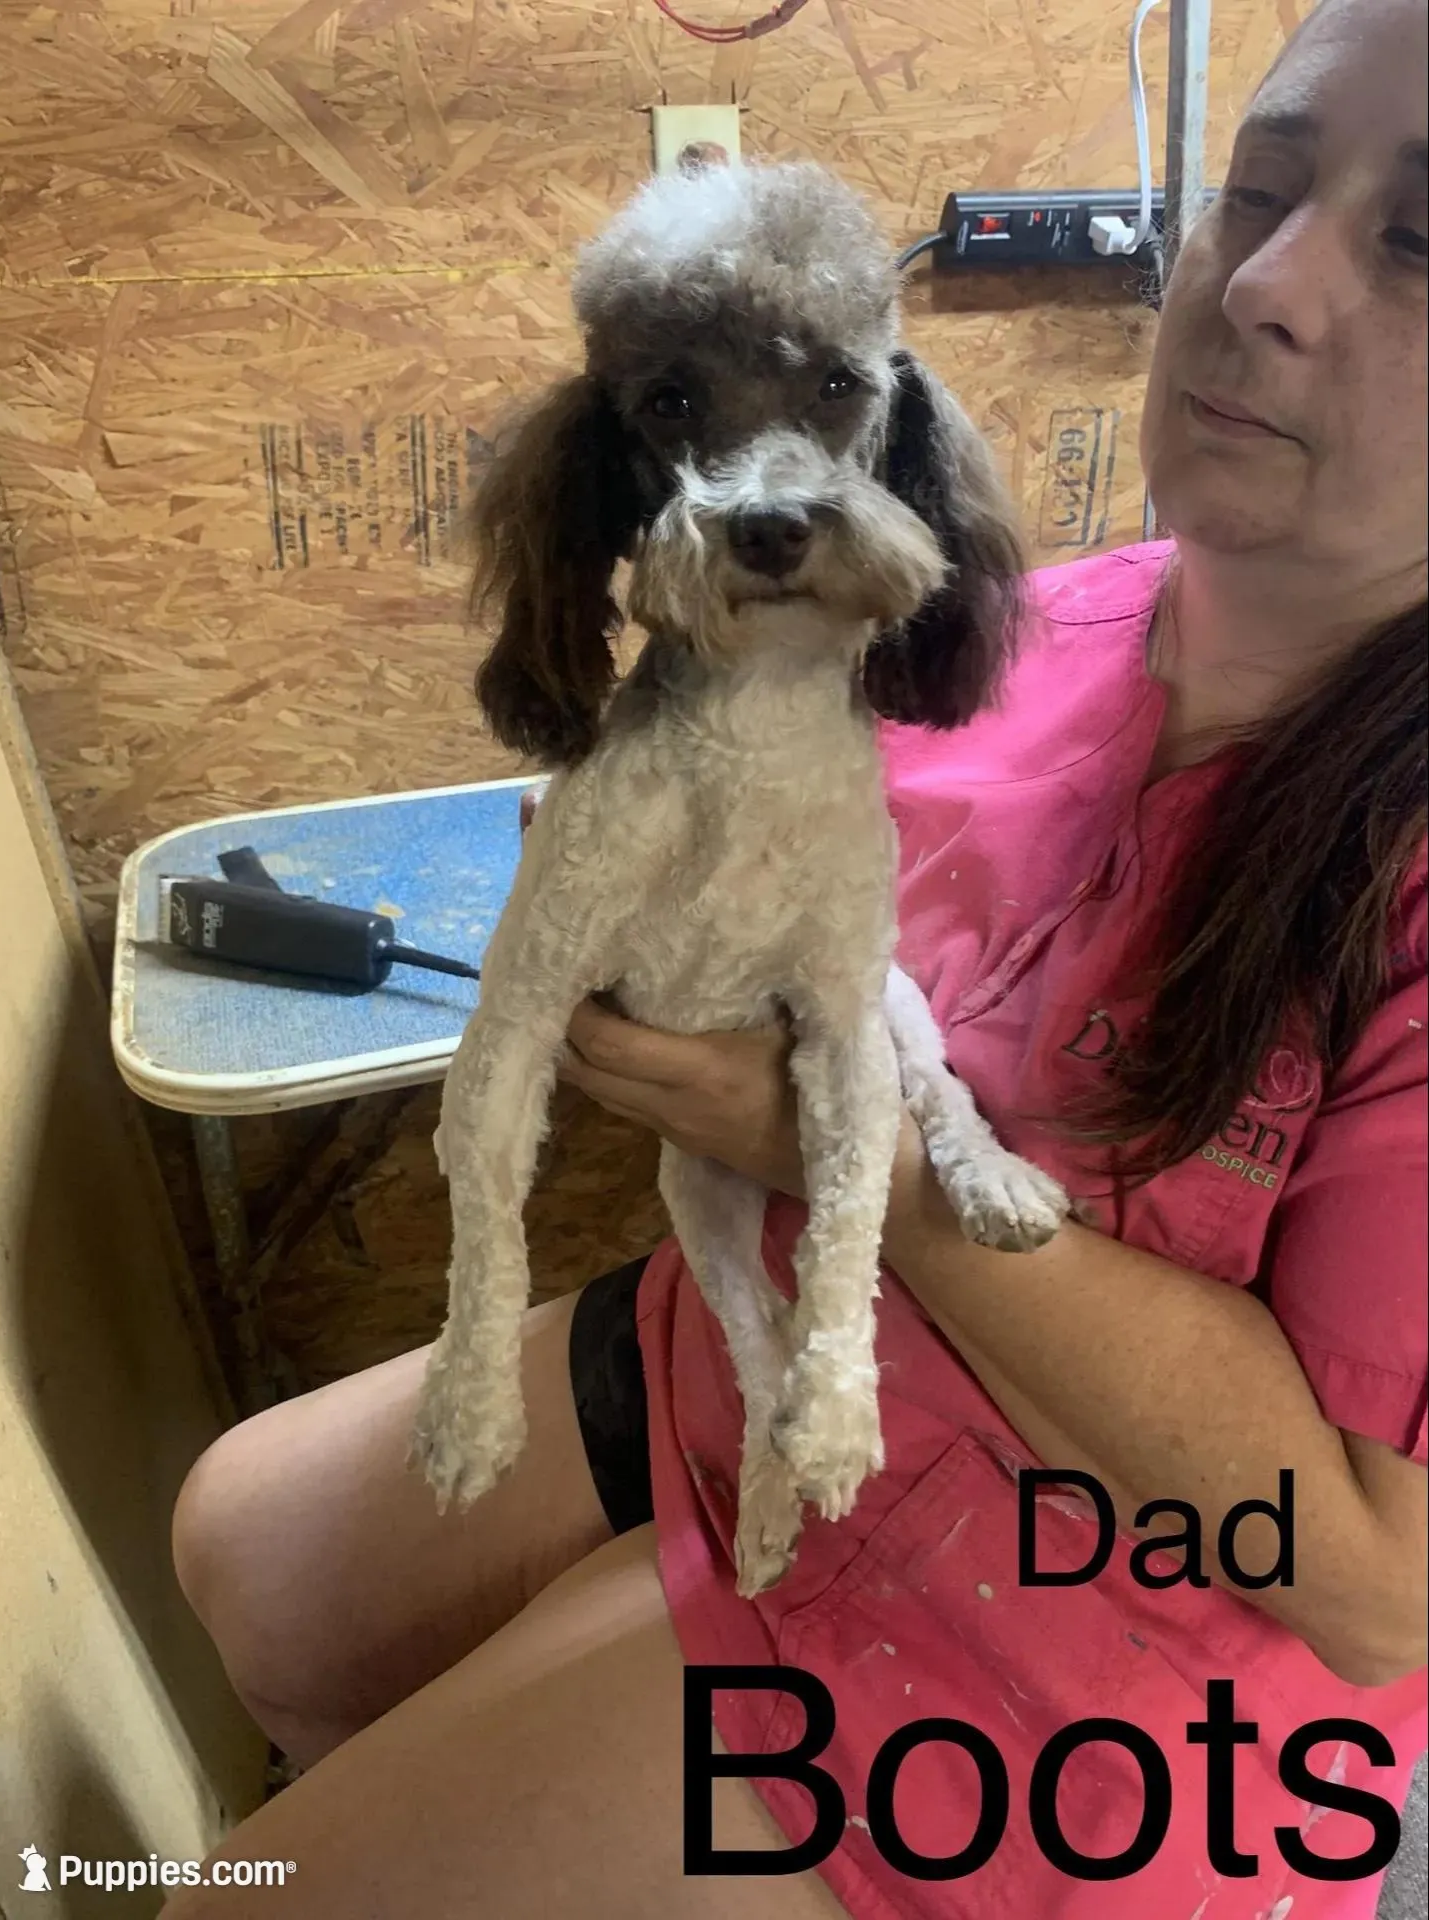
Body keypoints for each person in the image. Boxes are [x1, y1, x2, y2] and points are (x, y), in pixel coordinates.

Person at [163, 0, 1426, 1912]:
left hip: (1082, 1618)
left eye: (1419, 241)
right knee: (239, 1550)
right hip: (753, 1329)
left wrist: (815, 1140)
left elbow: (1370, 1581)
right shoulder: (1017, 620)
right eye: (1253, 186)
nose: (1261, 284)